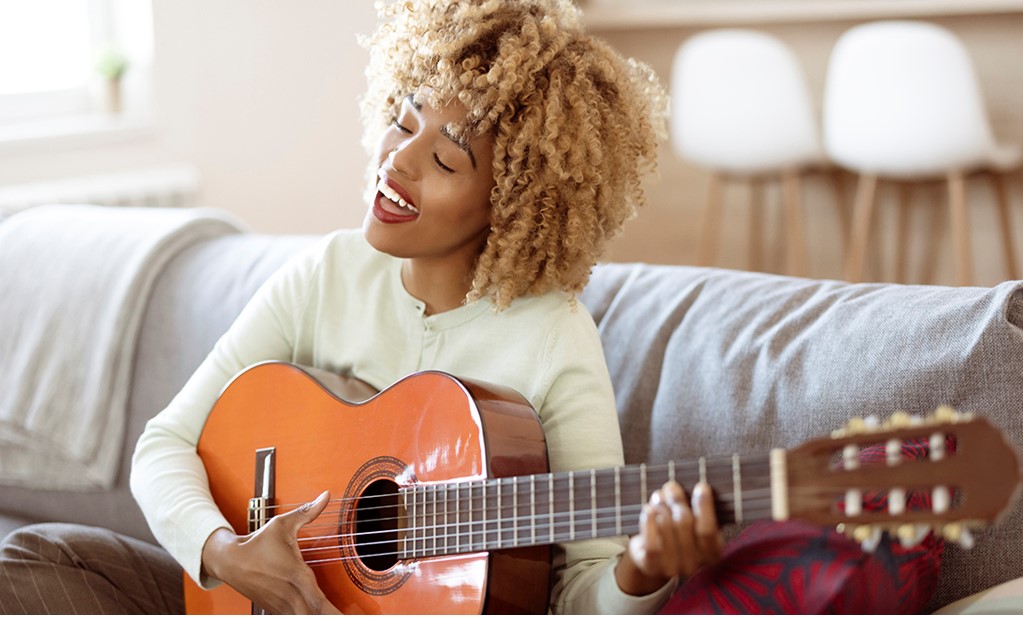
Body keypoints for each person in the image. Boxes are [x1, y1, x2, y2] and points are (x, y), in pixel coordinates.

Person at [0, 0, 723, 613]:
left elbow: (577, 588)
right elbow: (164, 447)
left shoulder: (552, 340)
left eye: (444, 160)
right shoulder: (331, 271)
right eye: (404, 122)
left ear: (512, 206)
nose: (398, 162)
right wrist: (227, 552)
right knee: (37, 558)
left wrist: (640, 572)